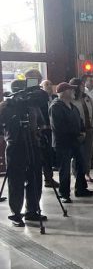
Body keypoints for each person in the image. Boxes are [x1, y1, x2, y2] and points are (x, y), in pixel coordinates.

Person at [0, 80, 45, 226]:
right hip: (15, 146)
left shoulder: (31, 105)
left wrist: (38, 131)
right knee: (16, 181)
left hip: (33, 145)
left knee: (35, 178)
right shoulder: (6, 107)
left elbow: (41, 122)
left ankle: (32, 210)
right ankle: (16, 213)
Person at [49, 82, 93, 202]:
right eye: (71, 90)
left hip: (76, 141)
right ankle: (64, 194)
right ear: (64, 92)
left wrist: (83, 131)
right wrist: (76, 135)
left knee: (81, 165)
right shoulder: (56, 106)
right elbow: (58, 126)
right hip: (63, 143)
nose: (74, 92)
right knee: (64, 169)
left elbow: (79, 121)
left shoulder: (72, 106)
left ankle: (81, 189)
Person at [72, 77, 93, 183]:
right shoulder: (72, 99)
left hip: (89, 129)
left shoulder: (87, 97)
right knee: (78, 154)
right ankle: (77, 173)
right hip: (77, 130)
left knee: (88, 153)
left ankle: (87, 173)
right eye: (81, 85)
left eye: (83, 85)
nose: (83, 87)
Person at [38, 78, 58, 188]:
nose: (49, 86)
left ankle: (50, 176)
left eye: (50, 84)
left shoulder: (55, 98)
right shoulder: (40, 100)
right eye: (46, 85)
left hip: (55, 131)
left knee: (51, 155)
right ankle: (48, 178)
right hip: (44, 130)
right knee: (46, 155)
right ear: (42, 87)